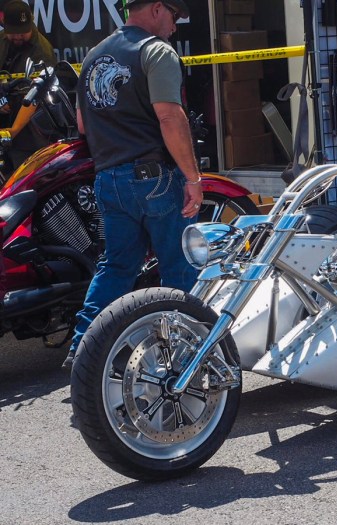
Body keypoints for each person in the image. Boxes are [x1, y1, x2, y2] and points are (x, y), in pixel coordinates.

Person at [62, 0, 202, 369]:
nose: (174, 26)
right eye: (174, 15)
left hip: (108, 178)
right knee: (179, 267)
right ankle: (183, 357)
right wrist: (193, 177)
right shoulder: (156, 51)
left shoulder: (94, 55)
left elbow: (82, 124)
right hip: (155, 178)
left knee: (116, 267)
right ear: (157, 8)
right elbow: (170, 117)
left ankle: (83, 349)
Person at [0, 0, 56, 168]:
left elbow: (35, 96)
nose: (18, 36)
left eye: (23, 32)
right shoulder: (2, 41)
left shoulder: (42, 51)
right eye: (13, 32)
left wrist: (13, 131)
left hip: (29, 137)